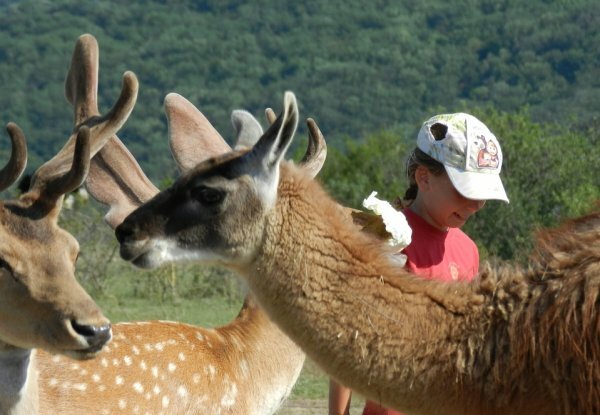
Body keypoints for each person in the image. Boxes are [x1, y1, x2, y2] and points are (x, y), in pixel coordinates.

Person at [328, 112, 509, 415]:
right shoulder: (387, 241)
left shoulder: (469, 251)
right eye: (467, 191)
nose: (477, 205)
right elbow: (349, 340)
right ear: (424, 178)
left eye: (484, 195)